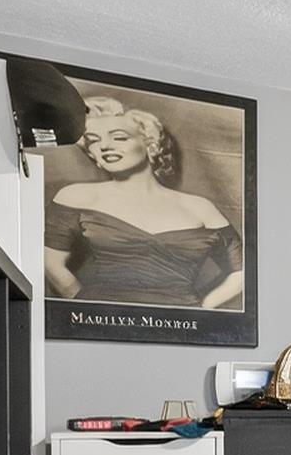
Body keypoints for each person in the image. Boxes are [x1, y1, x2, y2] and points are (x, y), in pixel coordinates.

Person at [43, 96, 242, 308]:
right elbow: (50, 263)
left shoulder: (200, 207)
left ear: (151, 144)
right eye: (94, 140)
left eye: (119, 137)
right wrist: (86, 307)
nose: (105, 146)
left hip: (180, 323)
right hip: (103, 318)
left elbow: (243, 271)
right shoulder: (76, 196)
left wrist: (203, 308)